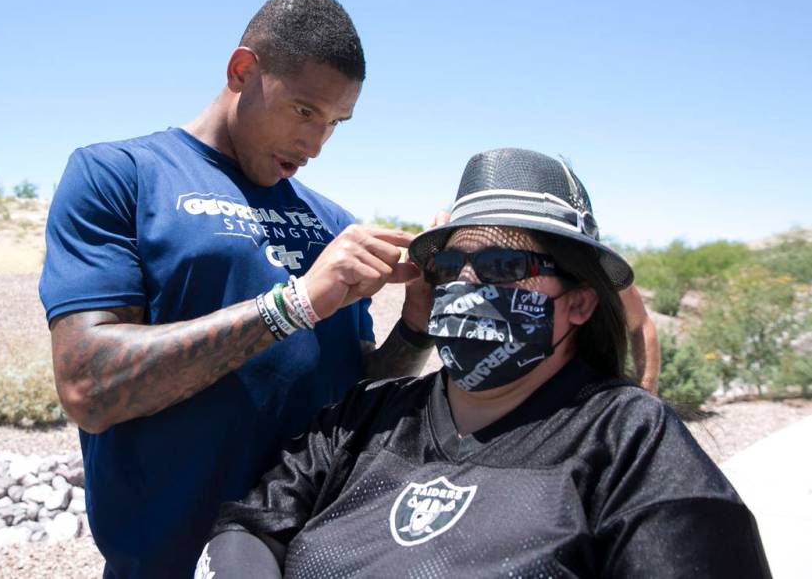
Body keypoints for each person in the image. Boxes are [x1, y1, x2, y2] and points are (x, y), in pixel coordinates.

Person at [200, 148, 770, 578]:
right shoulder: (370, 415)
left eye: (503, 265)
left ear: (578, 302)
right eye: (449, 266)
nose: (466, 284)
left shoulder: (629, 440)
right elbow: (252, 526)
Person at [39, 0, 435, 577]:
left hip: (312, 561)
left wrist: (418, 324)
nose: (316, 145)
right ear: (243, 70)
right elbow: (87, 386)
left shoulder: (332, 223)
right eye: (305, 111)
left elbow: (358, 401)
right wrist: (295, 303)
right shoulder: (120, 176)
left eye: (335, 124)